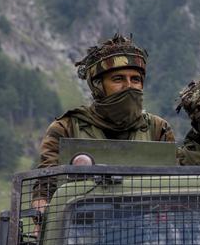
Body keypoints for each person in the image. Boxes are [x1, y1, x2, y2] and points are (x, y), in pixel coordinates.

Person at [33, 33, 175, 206]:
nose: (129, 86)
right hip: (83, 227)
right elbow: (44, 191)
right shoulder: (66, 128)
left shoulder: (158, 129)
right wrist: (40, 210)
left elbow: (174, 192)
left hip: (146, 228)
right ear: (98, 86)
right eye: (118, 79)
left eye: (135, 79)